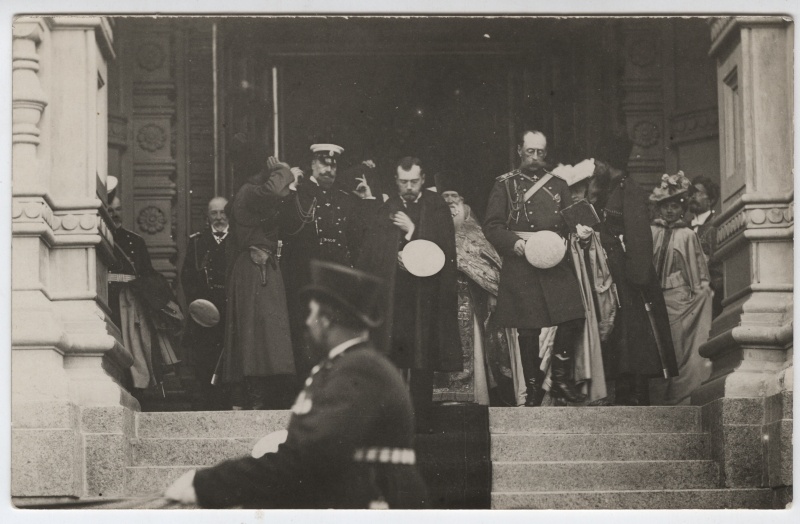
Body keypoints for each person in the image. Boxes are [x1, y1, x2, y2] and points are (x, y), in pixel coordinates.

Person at [164, 261, 428, 509]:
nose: (306, 322)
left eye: (311, 313)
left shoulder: (360, 369)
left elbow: (306, 458)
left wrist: (206, 484)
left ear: (326, 320)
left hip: (373, 504)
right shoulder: (344, 367)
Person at [482, 130, 586, 407]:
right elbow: (492, 225)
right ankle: (532, 388)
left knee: (573, 315)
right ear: (519, 150)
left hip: (553, 260)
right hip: (521, 261)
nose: (536, 158)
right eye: (530, 151)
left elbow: (570, 223)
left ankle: (561, 379)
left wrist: (582, 233)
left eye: (540, 152)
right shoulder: (504, 185)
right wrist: (514, 244)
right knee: (528, 329)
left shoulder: (559, 184)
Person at [357, 157, 462, 430]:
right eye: (403, 182)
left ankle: (422, 416)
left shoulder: (436, 207)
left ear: (423, 179)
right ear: (396, 181)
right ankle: (392, 415)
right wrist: (394, 256)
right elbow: (373, 252)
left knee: (422, 352)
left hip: (425, 294)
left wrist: (412, 232)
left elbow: (444, 248)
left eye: (414, 181)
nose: (409, 187)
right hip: (396, 294)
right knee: (393, 350)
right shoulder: (387, 209)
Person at [585, 134, 678, 406]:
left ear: (608, 163)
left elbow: (639, 235)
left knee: (635, 332)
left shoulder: (630, 190)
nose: (596, 167)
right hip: (607, 271)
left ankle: (637, 393)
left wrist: (637, 276)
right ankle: (622, 391)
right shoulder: (605, 191)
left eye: (599, 162)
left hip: (629, 274)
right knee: (618, 332)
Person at [279, 144, 378, 379]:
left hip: (337, 284)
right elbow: (286, 227)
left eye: (333, 165)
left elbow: (361, 238)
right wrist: (290, 189)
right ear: (312, 165)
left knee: (338, 338)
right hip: (307, 281)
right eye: (323, 163)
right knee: (307, 340)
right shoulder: (299, 194)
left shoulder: (345, 198)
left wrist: (366, 202)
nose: (328, 169)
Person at [431, 172, 524, 406]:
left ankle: (471, 395)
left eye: (455, 197)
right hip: (440, 300)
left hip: (469, 300)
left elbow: (491, 268)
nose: (450, 202)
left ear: (465, 203)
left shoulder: (476, 234)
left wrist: (492, 293)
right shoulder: (432, 233)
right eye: (445, 197)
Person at [222, 149, 296, 410]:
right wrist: (282, 169)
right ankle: (253, 398)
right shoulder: (250, 192)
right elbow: (274, 191)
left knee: (261, 333)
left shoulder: (249, 194)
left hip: (257, 268)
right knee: (256, 334)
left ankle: (254, 397)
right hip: (254, 271)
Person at [649, 171, 713, 405]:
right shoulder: (651, 231)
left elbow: (697, 271)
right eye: (665, 206)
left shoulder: (687, 235)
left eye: (675, 206)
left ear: (682, 208)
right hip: (654, 299)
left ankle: (679, 395)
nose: (669, 211)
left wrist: (698, 292)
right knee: (655, 349)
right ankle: (656, 398)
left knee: (677, 348)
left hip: (678, 299)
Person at [108, 193, 181, 397]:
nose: (114, 214)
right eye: (110, 210)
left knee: (135, 351)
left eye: (118, 209)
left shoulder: (135, 241)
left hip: (131, 304)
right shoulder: (99, 238)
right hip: (108, 302)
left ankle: (135, 392)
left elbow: (146, 272)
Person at [180, 196, 230, 410]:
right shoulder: (197, 242)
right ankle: (207, 405)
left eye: (222, 213)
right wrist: (199, 306)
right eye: (214, 213)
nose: (218, 218)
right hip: (205, 313)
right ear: (207, 216)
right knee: (204, 361)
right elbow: (187, 276)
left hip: (230, 310)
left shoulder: (237, 241)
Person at [689, 176, 724, 318]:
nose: (692, 196)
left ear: (710, 200)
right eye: (691, 192)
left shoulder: (717, 225)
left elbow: (719, 265)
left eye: (698, 193)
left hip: (711, 295)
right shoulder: (685, 226)